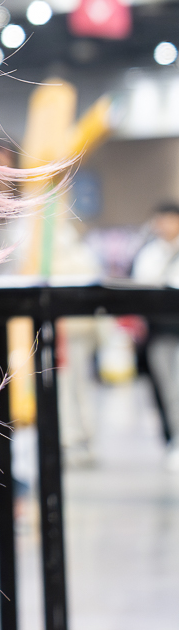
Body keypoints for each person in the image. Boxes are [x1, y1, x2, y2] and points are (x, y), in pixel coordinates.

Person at [131, 200, 179, 469]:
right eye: (160, 220)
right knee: (167, 389)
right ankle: (174, 440)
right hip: (160, 332)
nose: (164, 225)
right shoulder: (149, 254)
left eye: (170, 219)